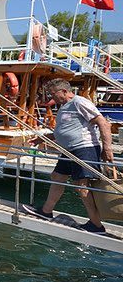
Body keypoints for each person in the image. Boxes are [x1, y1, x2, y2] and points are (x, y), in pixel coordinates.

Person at [22, 78, 112, 233]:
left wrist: (107, 148)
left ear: (63, 91)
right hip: (68, 149)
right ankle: (46, 211)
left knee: (82, 186)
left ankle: (96, 225)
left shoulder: (79, 102)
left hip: (84, 148)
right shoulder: (64, 107)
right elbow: (62, 131)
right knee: (57, 176)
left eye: (53, 94)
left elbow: (102, 122)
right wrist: (40, 138)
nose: (52, 98)